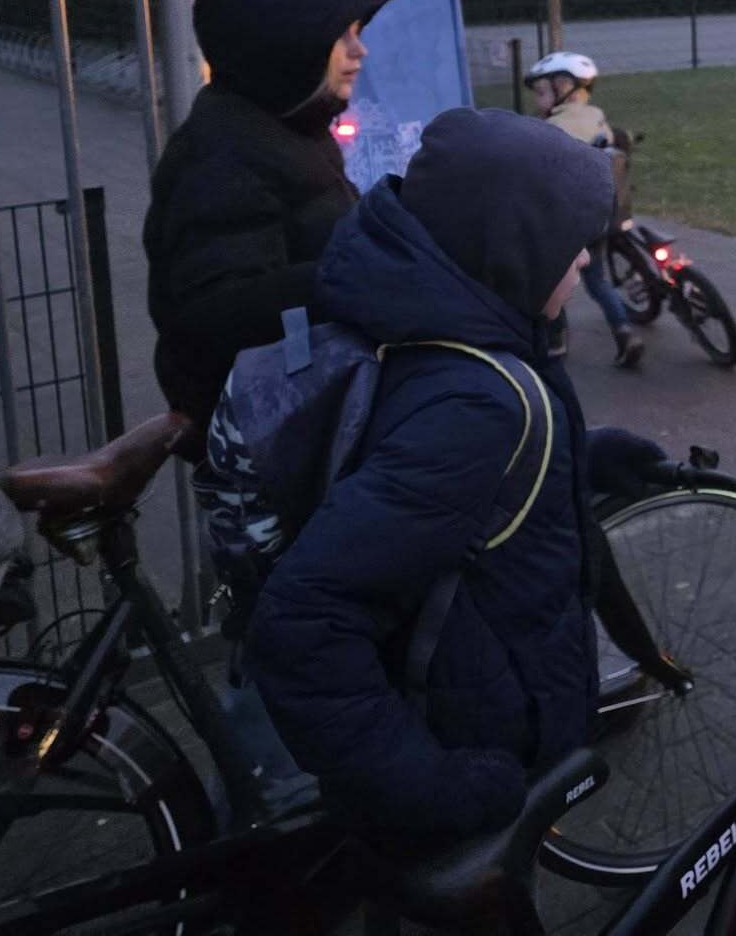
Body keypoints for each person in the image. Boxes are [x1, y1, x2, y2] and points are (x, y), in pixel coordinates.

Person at [245, 108, 667, 840]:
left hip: (471, 701)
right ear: (515, 245)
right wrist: (429, 789)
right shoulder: (480, 399)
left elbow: (443, 496)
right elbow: (305, 621)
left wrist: (582, 457)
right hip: (469, 741)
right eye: (571, 246)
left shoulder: (441, 327)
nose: (583, 264)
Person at [143, 0, 397, 430]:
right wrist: (364, 273)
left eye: (357, 32)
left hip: (307, 404)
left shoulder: (292, 124)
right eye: (338, 35)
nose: (359, 49)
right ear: (281, 41)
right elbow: (214, 313)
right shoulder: (222, 153)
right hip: (266, 431)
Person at [527, 51, 644, 369]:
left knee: (552, 282)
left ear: (563, 86)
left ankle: (556, 341)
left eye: (541, 93)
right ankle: (624, 332)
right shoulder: (597, 115)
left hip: (566, 223)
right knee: (597, 281)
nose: (538, 101)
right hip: (603, 217)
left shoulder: (552, 126)